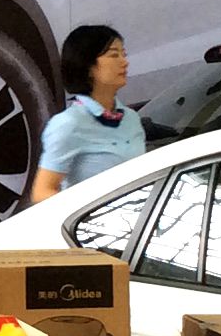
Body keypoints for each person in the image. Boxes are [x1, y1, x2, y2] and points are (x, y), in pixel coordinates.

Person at [31, 23, 146, 205]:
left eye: (124, 54)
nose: (124, 62)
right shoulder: (68, 124)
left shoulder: (131, 118)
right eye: (114, 55)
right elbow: (42, 192)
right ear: (88, 65)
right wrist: (85, 213)